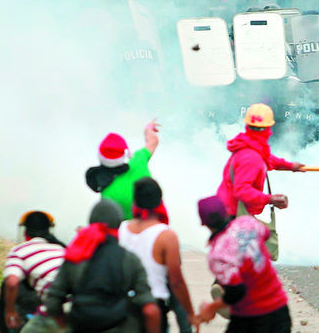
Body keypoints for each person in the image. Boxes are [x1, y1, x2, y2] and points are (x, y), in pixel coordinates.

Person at [45, 200, 161, 332]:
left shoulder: (75, 256)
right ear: (119, 224)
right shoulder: (130, 259)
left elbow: (53, 302)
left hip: (81, 324)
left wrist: (65, 325)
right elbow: (150, 311)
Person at [196, 196, 291, 332]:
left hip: (251, 317)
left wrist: (211, 308)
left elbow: (236, 292)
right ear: (227, 212)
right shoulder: (248, 223)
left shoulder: (217, 255)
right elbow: (265, 235)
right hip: (279, 308)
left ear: (203, 223)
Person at [119, 177, 199, 332]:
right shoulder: (166, 236)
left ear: (135, 201)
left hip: (122, 307)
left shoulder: (122, 229)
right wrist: (190, 313)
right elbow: (176, 281)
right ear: (159, 200)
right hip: (153, 309)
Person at [216, 103, 304, 217]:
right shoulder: (251, 157)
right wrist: (270, 199)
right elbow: (242, 190)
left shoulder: (249, 145)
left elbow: (266, 158)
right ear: (268, 128)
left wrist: (290, 166)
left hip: (229, 210)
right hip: (233, 215)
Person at [1, 211, 65, 332]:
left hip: (56, 309)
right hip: (80, 305)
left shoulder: (19, 250)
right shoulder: (61, 249)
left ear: (25, 231)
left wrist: (10, 311)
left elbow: (11, 283)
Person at [85, 120, 160, 219]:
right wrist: (148, 128)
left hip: (127, 232)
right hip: (154, 226)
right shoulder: (138, 161)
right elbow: (153, 141)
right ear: (124, 155)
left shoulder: (107, 193)